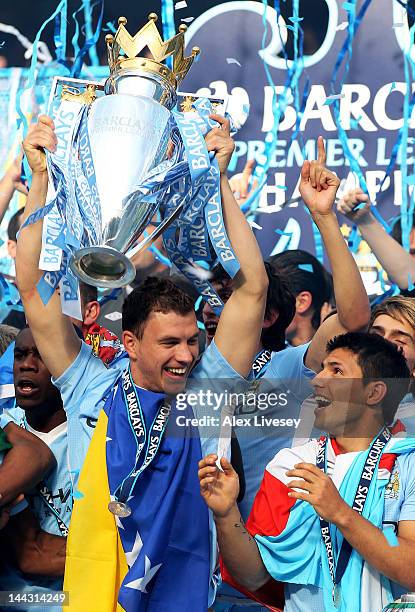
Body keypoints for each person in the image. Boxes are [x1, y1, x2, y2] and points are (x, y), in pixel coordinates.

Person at [16, 113, 268, 611]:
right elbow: (31, 287)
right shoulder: (89, 382)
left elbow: (253, 288)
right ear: (129, 342)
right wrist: (40, 180)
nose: (187, 354)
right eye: (170, 343)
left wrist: (219, 181)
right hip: (97, 590)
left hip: (183, 593)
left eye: (192, 340)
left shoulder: (207, 389)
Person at [199, 332, 415, 611]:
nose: (317, 380)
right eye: (322, 367)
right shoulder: (290, 466)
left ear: (373, 392)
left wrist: (340, 513)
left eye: (336, 370)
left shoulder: (407, 464)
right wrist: (226, 513)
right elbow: (254, 576)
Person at [337, 187, 415, 293]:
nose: (410, 260)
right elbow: (408, 277)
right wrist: (363, 220)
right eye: (410, 252)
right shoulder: (382, 307)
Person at [269, 249, 333, 347]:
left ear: (302, 302)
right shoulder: (258, 355)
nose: (262, 309)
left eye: (271, 298)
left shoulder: (344, 355)